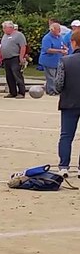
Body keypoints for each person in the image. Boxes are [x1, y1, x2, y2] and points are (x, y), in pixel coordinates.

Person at [55, 31, 80, 176]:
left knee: (66, 136)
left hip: (69, 102)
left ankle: (64, 166)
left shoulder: (65, 61)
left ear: (73, 42)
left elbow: (58, 84)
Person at [1, 21, 29, 99]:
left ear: (10, 28)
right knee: (9, 76)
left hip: (15, 58)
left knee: (17, 75)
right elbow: (2, 46)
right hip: (6, 59)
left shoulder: (19, 35)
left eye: (4, 28)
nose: (3, 30)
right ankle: (12, 92)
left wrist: (21, 57)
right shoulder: (5, 35)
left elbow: (23, 46)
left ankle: (21, 92)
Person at [41, 20, 69, 96]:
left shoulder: (59, 37)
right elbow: (48, 49)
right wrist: (60, 51)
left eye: (59, 29)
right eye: (58, 29)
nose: (59, 31)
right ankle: (52, 91)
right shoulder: (47, 38)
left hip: (57, 60)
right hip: (48, 60)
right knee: (51, 77)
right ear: (52, 30)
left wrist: (65, 48)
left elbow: (62, 44)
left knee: (57, 76)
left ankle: (51, 89)